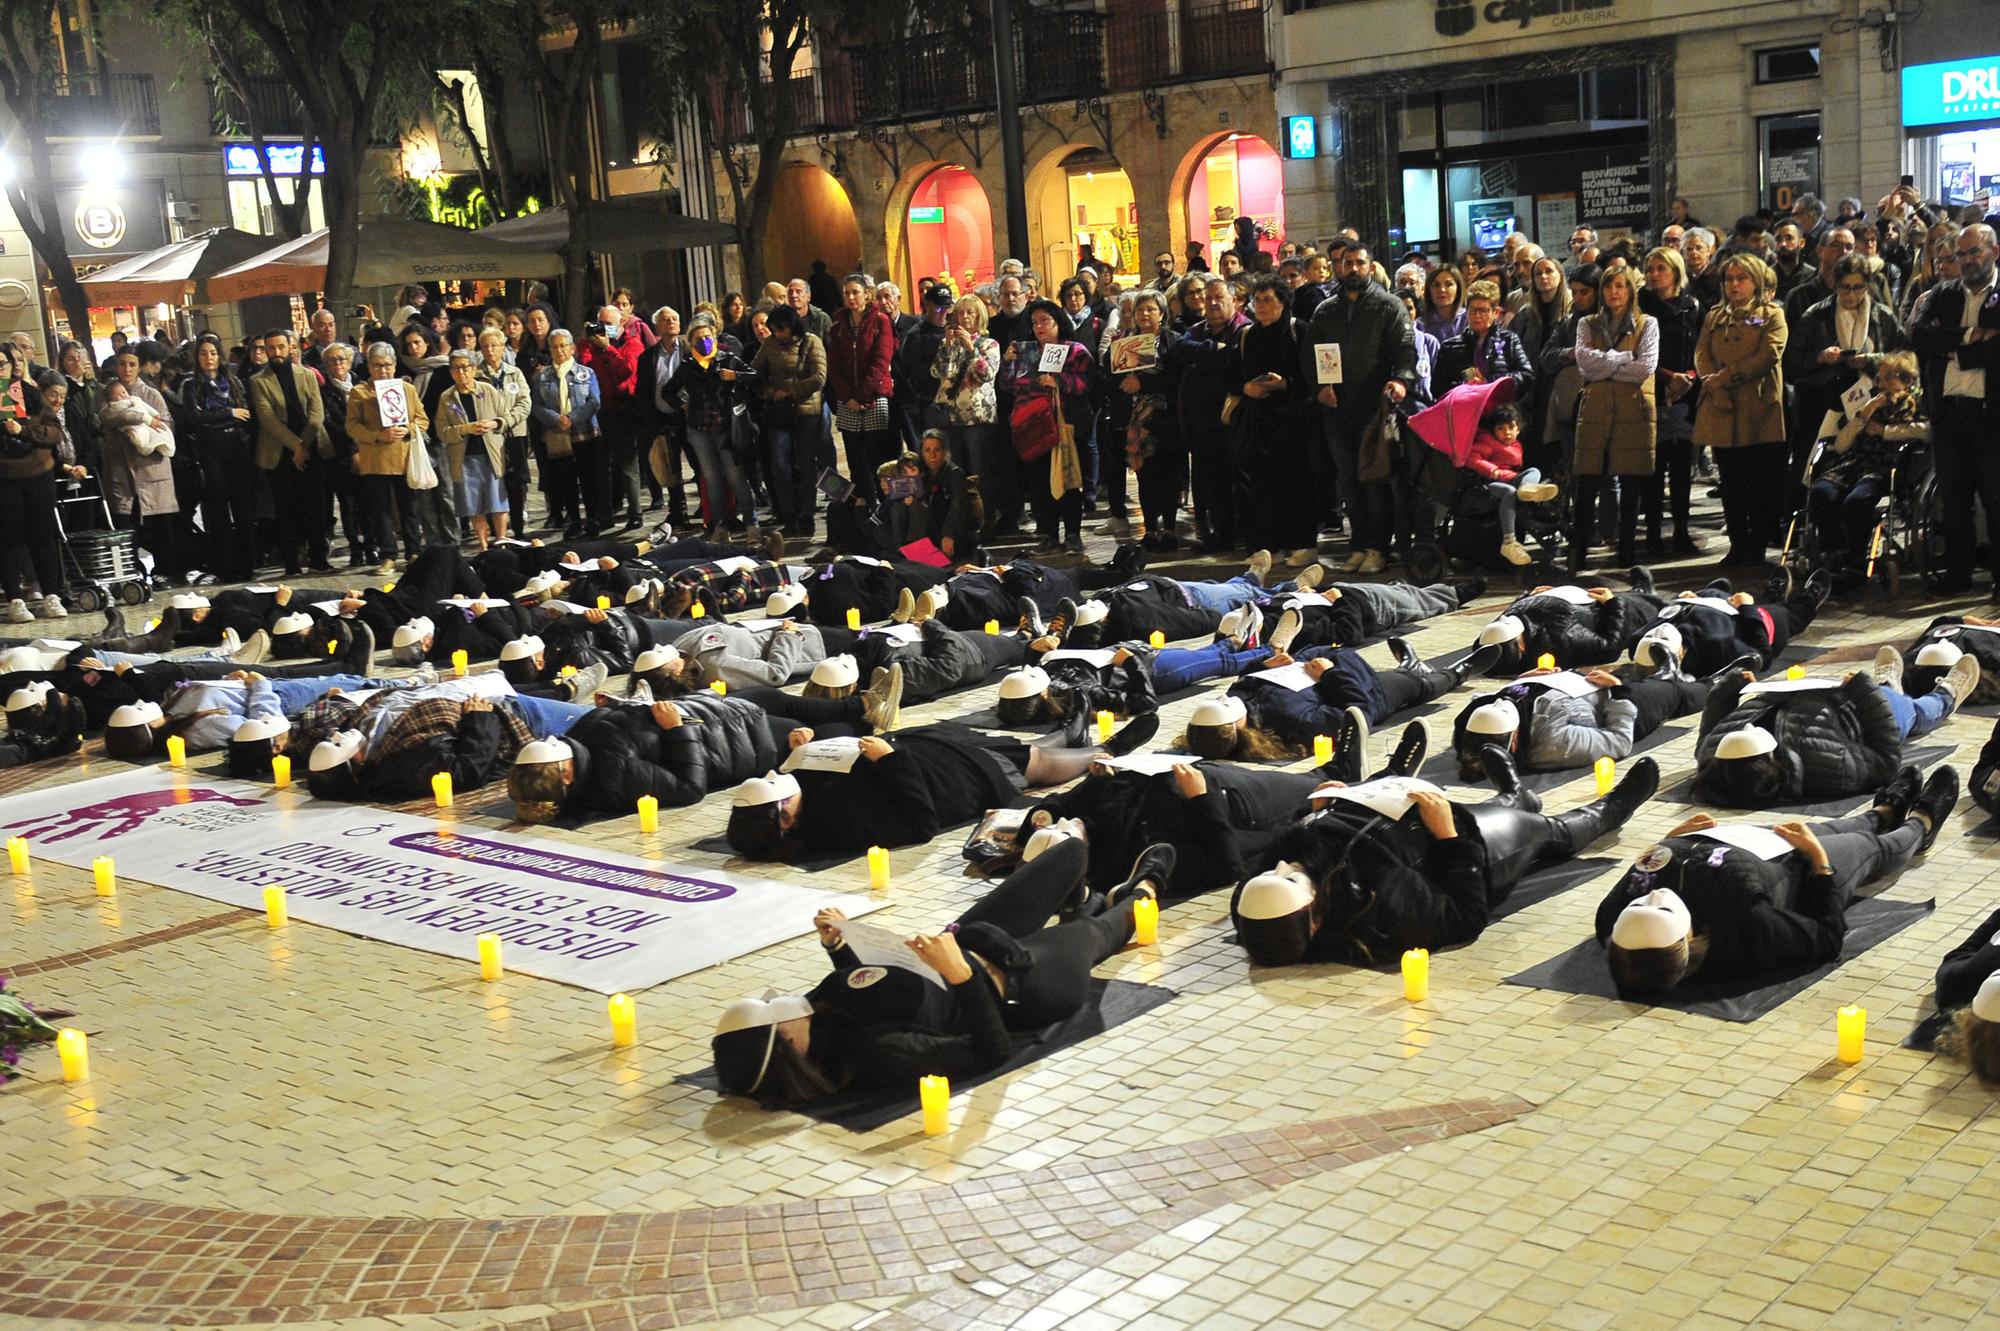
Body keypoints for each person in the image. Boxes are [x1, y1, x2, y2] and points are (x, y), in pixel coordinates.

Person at [710, 836, 1160, 1104]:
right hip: (1022, 982)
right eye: (774, 1010)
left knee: (1071, 853)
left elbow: (868, 991)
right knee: (1104, 929)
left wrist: (840, 948)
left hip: (971, 941)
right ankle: (1141, 887)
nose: (780, 1000)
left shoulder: (820, 1015)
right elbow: (992, 1051)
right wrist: (962, 977)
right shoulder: (882, 1053)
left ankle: (1081, 904)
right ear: (787, 1039)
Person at [1233, 752, 1658, 966]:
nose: (1282, 867)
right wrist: (1449, 837)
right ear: (1316, 919)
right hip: (1465, 845)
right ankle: (1612, 808)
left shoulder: (1254, 904)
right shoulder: (1383, 910)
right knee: (1551, 832)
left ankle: (1513, 793)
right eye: (1288, 879)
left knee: (1507, 806)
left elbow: (1280, 853)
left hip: (1398, 815)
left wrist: (1314, 812)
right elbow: (1466, 916)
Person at [1595, 783, 1957, 999]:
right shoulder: (1747, 930)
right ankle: (1920, 824)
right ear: (1688, 940)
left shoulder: (1611, 920)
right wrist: (1818, 860)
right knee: (1871, 847)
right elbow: (1827, 937)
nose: (1653, 896)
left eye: (1639, 904)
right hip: (1795, 872)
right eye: (1661, 910)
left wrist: (1671, 840)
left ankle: (1883, 809)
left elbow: (1644, 865)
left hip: (1735, 845)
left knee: (1831, 826)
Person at [724, 717, 1148, 858]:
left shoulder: (799, 800)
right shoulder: (844, 827)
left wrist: (803, 749)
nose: (780, 777)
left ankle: (1065, 731)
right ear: (786, 816)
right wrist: (892, 761)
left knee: (1014, 746)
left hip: (932, 752)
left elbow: (816, 776)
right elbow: (920, 822)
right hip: (954, 781)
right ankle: (1105, 748)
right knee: (1033, 764)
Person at [1692, 655, 1979, 808]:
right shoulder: (1827, 770)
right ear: (1768, 762)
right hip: (1856, 708)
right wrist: (1866, 693)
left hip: (1807, 692)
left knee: (1889, 694)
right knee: (1912, 712)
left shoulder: (1716, 755)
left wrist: (1728, 688)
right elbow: (1886, 761)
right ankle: (1945, 697)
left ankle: (1888, 685)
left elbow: (1711, 725)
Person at [1301, 242, 1416, 574]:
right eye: (1346, 263)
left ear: (1369, 266)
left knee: (1375, 479)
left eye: (1359, 263)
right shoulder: (1325, 311)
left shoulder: (1389, 306)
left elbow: (1405, 350)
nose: (1352, 268)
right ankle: (1359, 544)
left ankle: (1379, 547)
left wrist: (1400, 380)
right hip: (1337, 411)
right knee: (1348, 480)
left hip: (1374, 409)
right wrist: (1320, 388)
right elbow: (1310, 357)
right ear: (1339, 267)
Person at [1910, 224, 1999, 597]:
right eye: (1959, 255)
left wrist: (1949, 348)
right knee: (1954, 499)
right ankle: (1957, 573)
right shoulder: (1942, 295)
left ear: (1994, 251)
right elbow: (1916, 335)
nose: (1965, 261)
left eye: (1973, 252)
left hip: (1991, 415)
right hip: (1948, 415)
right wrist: (1968, 336)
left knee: (1996, 499)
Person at [1695, 254, 1790, 569]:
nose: (1734, 285)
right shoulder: (1714, 316)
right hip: (1722, 406)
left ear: (1756, 281)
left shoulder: (1768, 315)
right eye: (1729, 279)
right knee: (1731, 480)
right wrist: (1716, 388)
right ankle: (1737, 544)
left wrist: (1725, 377)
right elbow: (1702, 353)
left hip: (1757, 405)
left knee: (1758, 480)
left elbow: (1767, 355)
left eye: (1741, 278)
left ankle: (1758, 544)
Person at [1569, 266, 1658, 571]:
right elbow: (1584, 364)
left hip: (1632, 409)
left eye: (1620, 286)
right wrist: (1621, 358)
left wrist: (1604, 364)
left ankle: (1627, 550)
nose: (1613, 292)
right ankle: (1578, 550)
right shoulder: (1587, 323)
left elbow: (1645, 367)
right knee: (1588, 481)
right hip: (1595, 409)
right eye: (1608, 287)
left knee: (1630, 482)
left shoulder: (1647, 324)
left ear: (1630, 289)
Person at [1000, 299, 1092, 556]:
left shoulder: (1075, 350)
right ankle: (1049, 533)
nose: (1039, 326)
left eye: (1045, 321)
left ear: (1058, 322)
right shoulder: (1025, 351)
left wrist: (1059, 381)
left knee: (1069, 477)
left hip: (1066, 424)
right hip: (1033, 424)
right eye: (1035, 322)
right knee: (1040, 481)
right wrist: (1008, 362)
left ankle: (1073, 533)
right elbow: (1007, 386)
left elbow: (1088, 383)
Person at [1234, 276, 1314, 565]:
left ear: (1283, 302)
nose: (1262, 306)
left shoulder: (1298, 330)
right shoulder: (1247, 335)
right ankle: (1270, 545)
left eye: (1268, 299)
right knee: (1262, 484)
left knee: (1295, 483)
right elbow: (1235, 374)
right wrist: (1247, 388)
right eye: (1258, 300)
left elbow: (1311, 376)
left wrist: (1285, 385)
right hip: (1259, 420)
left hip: (1292, 419)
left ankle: (1302, 543)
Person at [668, 315, 759, 539]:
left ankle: (751, 522)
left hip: (727, 428)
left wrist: (734, 376)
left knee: (735, 474)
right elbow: (668, 391)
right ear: (690, 343)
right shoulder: (688, 366)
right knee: (712, 478)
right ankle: (720, 526)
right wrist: (682, 404)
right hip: (700, 429)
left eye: (708, 337)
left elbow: (754, 377)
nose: (704, 342)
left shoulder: (727, 359)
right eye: (698, 339)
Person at [2, 372, 83, 622]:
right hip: (5, 477)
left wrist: (24, 431)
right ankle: (16, 599)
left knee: (43, 537)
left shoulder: (29, 393)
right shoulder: (5, 393)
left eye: (4, 364)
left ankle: (51, 595)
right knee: (9, 540)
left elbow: (53, 433)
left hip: (38, 474)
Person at [1639, 247, 1703, 557]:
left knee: (1681, 470)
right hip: (1651, 392)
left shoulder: (1692, 307)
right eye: (1650, 268)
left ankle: (1681, 530)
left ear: (1676, 272)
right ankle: (1653, 533)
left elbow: (1700, 349)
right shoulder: (1640, 307)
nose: (1653, 274)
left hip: (1685, 397)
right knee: (1652, 471)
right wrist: (1668, 378)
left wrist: (1687, 377)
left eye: (1661, 268)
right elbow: (1637, 353)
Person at [177, 335, 258, 581]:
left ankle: (249, 563)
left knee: (243, 507)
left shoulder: (232, 381)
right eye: (203, 353)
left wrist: (219, 416)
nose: (208, 358)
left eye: (212, 353)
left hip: (236, 447)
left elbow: (246, 414)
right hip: (211, 449)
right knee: (218, 509)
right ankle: (225, 564)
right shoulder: (192, 385)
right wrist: (227, 413)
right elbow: (193, 419)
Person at [346, 342, 431, 574]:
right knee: (380, 511)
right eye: (377, 365)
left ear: (394, 366)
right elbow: (352, 426)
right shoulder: (359, 392)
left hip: (404, 459)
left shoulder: (407, 389)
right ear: (369, 367)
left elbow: (423, 419)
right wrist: (377, 435)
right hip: (375, 460)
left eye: (387, 365)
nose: (383, 370)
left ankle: (414, 552)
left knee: (409, 509)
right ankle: (388, 555)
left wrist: (409, 428)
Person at [96, 353, 179, 575]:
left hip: (152, 467)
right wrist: (142, 418)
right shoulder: (105, 393)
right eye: (122, 364)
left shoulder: (151, 394)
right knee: (126, 524)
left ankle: (166, 571)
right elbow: (109, 417)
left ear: (139, 367)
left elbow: (166, 422)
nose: (127, 369)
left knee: (160, 526)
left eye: (132, 364)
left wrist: (150, 425)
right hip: (122, 469)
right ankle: (130, 572)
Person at [752, 304, 827, 541]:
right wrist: (769, 391)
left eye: (781, 329)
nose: (777, 334)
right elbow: (755, 372)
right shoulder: (770, 345)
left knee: (805, 464)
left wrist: (791, 391)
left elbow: (819, 377)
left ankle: (807, 516)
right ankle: (788, 516)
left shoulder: (812, 342)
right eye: (774, 330)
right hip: (778, 413)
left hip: (806, 411)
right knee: (780, 465)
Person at [435, 349, 513, 548]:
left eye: (465, 367)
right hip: (464, 458)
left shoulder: (487, 390)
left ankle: (501, 540)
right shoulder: (447, 397)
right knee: (474, 504)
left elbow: (506, 417)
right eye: (456, 368)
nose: (461, 373)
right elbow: (442, 431)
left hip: (491, 454)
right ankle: (483, 545)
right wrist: (465, 429)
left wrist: (494, 424)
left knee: (497, 501)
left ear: (473, 369)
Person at [827, 274, 897, 487]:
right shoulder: (838, 325)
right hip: (849, 401)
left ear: (867, 295)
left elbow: (881, 360)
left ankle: (882, 500)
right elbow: (834, 365)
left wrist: (863, 395)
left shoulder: (880, 321)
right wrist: (848, 397)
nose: (850, 297)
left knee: (877, 456)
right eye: (846, 293)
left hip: (874, 397)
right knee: (855, 459)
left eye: (855, 292)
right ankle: (862, 503)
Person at [530, 330, 601, 540]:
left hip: (585, 433)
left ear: (572, 348)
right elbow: (537, 405)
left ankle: (593, 519)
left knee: (588, 478)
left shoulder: (586, 373)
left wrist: (572, 418)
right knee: (565, 480)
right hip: (557, 437)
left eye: (563, 345)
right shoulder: (542, 377)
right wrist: (555, 419)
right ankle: (574, 520)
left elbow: (594, 401)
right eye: (555, 346)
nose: (559, 350)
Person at [1467, 403, 1558, 566]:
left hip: (1510, 479)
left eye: (1511, 427)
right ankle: (1509, 542)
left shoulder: (1516, 445)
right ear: (1494, 431)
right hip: (1490, 483)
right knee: (1509, 492)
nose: (1506, 432)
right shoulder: (1487, 441)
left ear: (1518, 429)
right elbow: (1472, 458)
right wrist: (1492, 470)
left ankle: (1527, 488)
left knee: (1534, 471)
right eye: (1501, 428)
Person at [892, 429, 976, 560]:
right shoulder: (918, 471)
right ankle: (904, 550)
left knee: (917, 507)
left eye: (937, 450)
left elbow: (958, 507)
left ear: (945, 452)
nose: (932, 455)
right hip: (924, 526)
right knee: (900, 508)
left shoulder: (954, 473)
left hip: (946, 528)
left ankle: (921, 556)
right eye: (927, 450)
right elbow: (894, 501)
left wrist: (949, 534)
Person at [1419, 267, 1467, 345]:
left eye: (1448, 284)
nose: (1442, 289)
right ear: (1429, 291)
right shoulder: (1420, 325)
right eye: (1436, 285)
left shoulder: (1469, 320)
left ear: (1458, 289)